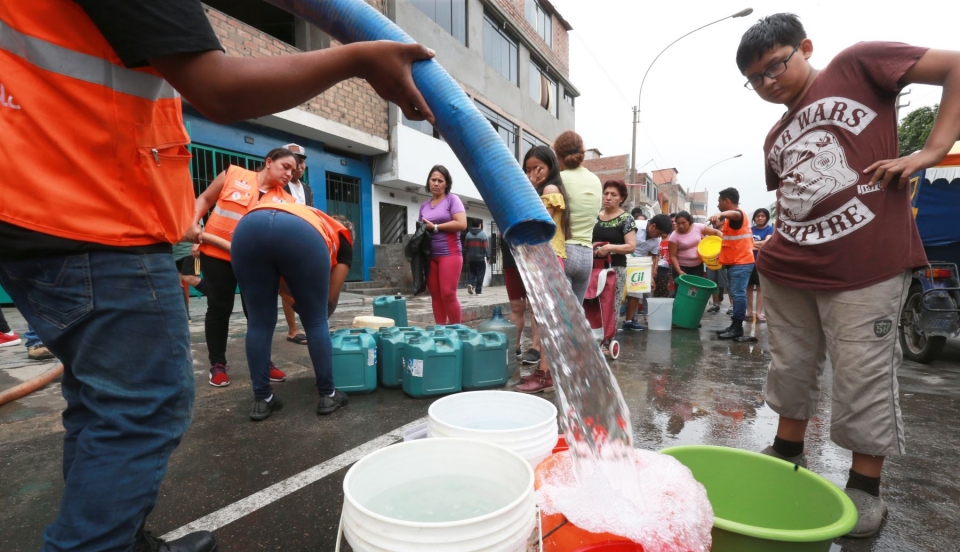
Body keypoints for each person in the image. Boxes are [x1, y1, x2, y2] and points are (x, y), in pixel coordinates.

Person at [0, 2, 436, 549]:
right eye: (288, 162)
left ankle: (251, 407)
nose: (293, 168)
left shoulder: (270, 195)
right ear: (275, 165)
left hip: (31, 207)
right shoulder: (322, 224)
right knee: (145, 403)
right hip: (100, 217)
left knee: (104, 397)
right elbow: (219, 89)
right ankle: (327, 394)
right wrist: (360, 59)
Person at [737, 14, 960, 537]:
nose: (769, 82)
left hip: (867, 266)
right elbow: (790, 196)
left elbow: (955, 66)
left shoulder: (858, 64)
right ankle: (787, 451)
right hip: (788, 267)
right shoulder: (776, 135)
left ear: (805, 47)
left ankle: (864, 487)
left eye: (776, 66)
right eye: (756, 79)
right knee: (790, 367)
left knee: (863, 375)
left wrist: (930, 151)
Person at [230, 201, 353, 421]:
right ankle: (328, 394)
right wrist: (311, 312)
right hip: (299, 234)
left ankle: (262, 399)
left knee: (258, 322)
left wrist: (293, 297)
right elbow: (329, 302)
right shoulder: (342, 237)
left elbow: (281, 283)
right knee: (316, 320)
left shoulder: (309, 213)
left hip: (248, 226)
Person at [192, 148, 299, 388]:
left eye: (293, 170)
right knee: (219, 308)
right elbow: (205, 199)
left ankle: (263, 362)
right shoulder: (233, 174)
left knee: (258, 314)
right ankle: (217, 364)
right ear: (269, 162)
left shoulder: (287, 200)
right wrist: (194, 223)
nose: (290, 174)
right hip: (217, 254)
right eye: (286, 167)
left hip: (256, 263)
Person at [515, 145, 572, 392]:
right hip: (541, 260)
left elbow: (537, 221)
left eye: (538, 168)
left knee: (547, 321)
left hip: (547, 259)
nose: (532, 173)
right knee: (542, 318)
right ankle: (546, 373)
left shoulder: (549, 189)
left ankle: (544, 375)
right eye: (528, 169)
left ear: (550, 168)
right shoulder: (544, 189)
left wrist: (529, 187)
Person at [553, 131, 602, 303]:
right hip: (587, 255)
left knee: (560, 316)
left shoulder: (557, 179)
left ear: (558, 155)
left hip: (563, 251)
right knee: (576, 316)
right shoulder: (596, 180)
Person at [590, 181, 637, 354]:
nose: (608, 197)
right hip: (593, 267)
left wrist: (610, 247)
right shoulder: (595, 216)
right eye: (606, 193)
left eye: (614, 195)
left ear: (621, 198)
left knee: (611, 304)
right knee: (591, 303)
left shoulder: (626, 219)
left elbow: (631, 246)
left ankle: (608, 338)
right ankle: (591, 336)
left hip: (615, 268)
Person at [419, 165, 467, 324]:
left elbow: (462, 224)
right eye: (433, 180)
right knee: (436, 294)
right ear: (428, 182)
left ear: (446, 184)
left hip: (450, 254)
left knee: (448, 294)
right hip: (430, 256)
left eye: (440, 180)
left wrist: (437, 227)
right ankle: (440, 330)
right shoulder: (424, 206)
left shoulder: (452, 199)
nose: (436, 183)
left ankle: (457, 331)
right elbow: (422, 228)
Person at [709, 188, 755, 339]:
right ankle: (734, 326)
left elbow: (736, 213)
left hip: (741, 262)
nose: (718, 205)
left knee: (738, 294)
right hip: (736, 262)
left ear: (727, 201)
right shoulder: (731, 221)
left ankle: (737, 328)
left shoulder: (738, 214)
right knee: (736, 294)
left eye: (719, 201)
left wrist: (720, 214)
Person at [280, 143, 313, 345]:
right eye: (294, 161)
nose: (299, 166)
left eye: (301, 161)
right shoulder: (280, 185)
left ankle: (308, 323)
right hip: (286, 241)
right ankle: (293, 329)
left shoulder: (307, 189)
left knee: (303, 285)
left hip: (304, 241)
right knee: (287, 285)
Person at [623, 215, 672, 330]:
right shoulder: (634, 225)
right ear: (653, 226)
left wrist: (650, 276)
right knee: (619, 292)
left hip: (640, 264)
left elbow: (652, 256)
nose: (659, 237)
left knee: (636, 292)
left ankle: (629, 321)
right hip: (623, 259)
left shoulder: (657, 239)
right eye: (659, 233)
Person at [669, 211, 722, 280]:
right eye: (678, 223)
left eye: (683, 223)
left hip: (697, 266)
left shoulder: (698, 227)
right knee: (682, 290)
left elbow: (716, 232)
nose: (681, 226)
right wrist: (679, 271)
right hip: (681, 267)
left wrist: (724, 244)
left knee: (696, 290)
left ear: (689, 221)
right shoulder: (674, 236)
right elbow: (673, 256)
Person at [747, 208, 774, 322]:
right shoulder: (750, 229)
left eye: (762, 216)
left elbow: (767, 243)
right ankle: (749, 311)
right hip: (747, 261)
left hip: (762, 262)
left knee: (760, 288)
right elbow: (744, 242)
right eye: (757, 216)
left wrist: (751, 245)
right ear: (754, 218)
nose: (760, 218)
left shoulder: (770, 229)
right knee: (748, 287)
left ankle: (758, 312)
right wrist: (757, 245)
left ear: (767, 218)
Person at [464, 220, 489, 295]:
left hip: (471, 258)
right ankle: (478, 290)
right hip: (480, 258)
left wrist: (469, 254)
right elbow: (486, 247)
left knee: (472, 272)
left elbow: (465, 246)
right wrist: (488, 256)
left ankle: (470, 284)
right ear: (479, 225)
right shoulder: (483, 235)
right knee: (480, 274)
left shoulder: (468, 234)